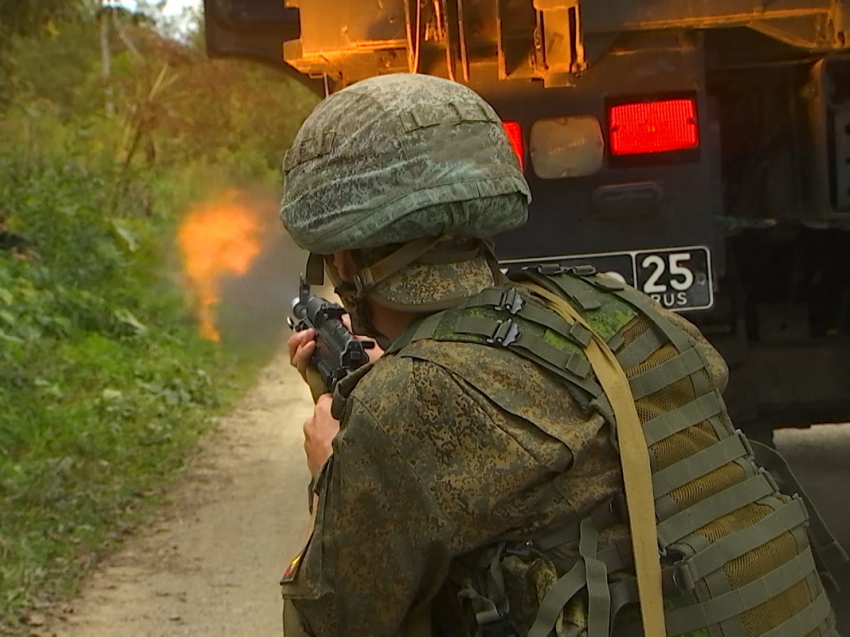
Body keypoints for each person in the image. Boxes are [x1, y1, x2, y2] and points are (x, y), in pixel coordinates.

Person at [280, 73, 841, 637]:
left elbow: (327, 621)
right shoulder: (623, 310)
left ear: (345, 260)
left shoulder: (400, 404)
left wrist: (332, 471)